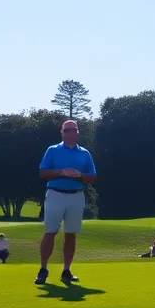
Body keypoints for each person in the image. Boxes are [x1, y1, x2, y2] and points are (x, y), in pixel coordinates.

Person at [34, 119, 97, 285]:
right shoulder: (53, 150)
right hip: (55, 194)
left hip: (76, 195)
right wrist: (61, 172)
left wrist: (81, 176)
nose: (71, 132)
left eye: (74, 130)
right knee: (51, 231)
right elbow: (43, 172)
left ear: (78, 133)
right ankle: (43, 269)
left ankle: (66, 270)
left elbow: (92, 176)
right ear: (62, 133)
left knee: (71, 234)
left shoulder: (84, 153)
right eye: (67, 130)